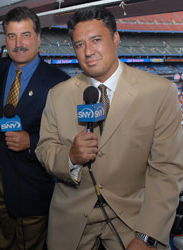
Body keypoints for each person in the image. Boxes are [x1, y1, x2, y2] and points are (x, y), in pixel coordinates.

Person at [35, 5, 183, 250]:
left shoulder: (159, 91)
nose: (88, 52)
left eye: (96, 40)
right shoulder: (57, 95)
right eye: (79, 44)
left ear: (115, 38)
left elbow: (166, 171)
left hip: (134, 216)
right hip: (71, 215)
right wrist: (70, 156)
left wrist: (148, 235)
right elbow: (44, 150)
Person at [0, 6, 69, 250]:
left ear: (39, 39)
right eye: (11, 36)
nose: (18, 43)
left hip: (34, 186)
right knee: (3, 243)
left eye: (25, 35)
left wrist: (31, 141)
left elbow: (66, 139)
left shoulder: (60, 82)